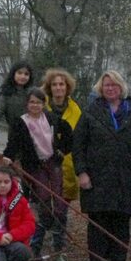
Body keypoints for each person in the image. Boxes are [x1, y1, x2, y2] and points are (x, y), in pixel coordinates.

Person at [72, 70, 131, 261]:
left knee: (121, 225)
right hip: (97, 179)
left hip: (126, 179)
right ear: (101, 87)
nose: (110, 88)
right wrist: (82, 172)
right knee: (98, 224)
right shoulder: (90, 112)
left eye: (114, 85)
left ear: (121, 87)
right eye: (107, 85)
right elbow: (78, 145)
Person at [5, 88, 72, 261]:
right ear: (27, 104)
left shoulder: (50, 118)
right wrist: (8, 156)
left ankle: (59, 249)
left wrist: (62, 151)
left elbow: (68, 134)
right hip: (35, 166)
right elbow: (13, 142)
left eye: (39, 102)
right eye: (32, 102)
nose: (35, 105)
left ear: (44, 104)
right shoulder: (21, 122)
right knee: (42, 200)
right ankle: (36, 247)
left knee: (59, 203)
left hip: (52, 162)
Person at [41, 68, 82, 208]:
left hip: (67, 163)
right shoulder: (40, 107)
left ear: (67, 87)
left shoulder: (76, 110)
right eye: (54, 84)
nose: (58, 88)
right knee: (43, 199)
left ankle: (59, 227)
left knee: (63, 204)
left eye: (61, 84)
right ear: (49, 87)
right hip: (43, 162)